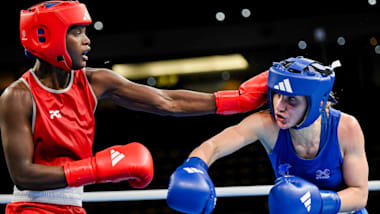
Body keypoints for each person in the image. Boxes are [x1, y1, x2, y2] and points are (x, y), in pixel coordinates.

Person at [0, 1, 269, 213]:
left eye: (85, 31)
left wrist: (233, 100)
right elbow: (23, 174)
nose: (87, 40)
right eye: (77, 32)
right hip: (31, 208)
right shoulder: (18, 96)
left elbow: (167, 101)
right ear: (46, 37)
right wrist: (96, 169)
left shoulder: (95, 81)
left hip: (73, 205)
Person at [167, 56, 369, 214]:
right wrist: (195, 165)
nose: (279, 107)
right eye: (277, 95)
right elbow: (214, 146)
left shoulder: (345, 128)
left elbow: (360, 194)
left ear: (317, 103)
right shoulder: (266, 124)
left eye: (291, 100)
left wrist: (317, 202)